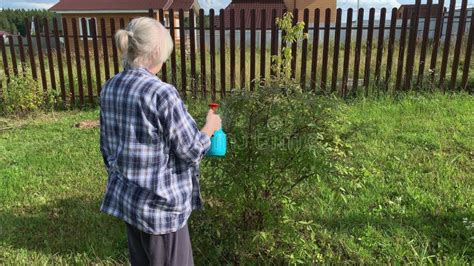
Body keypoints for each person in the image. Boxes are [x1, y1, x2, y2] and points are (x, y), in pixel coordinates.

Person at [99, 17, 221, 266]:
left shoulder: (110, 87)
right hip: (161, 212)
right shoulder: (162, 93)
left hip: (130, 204)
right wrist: (209, 128)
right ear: (157, 52)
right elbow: (190, 150)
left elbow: (107, 147)